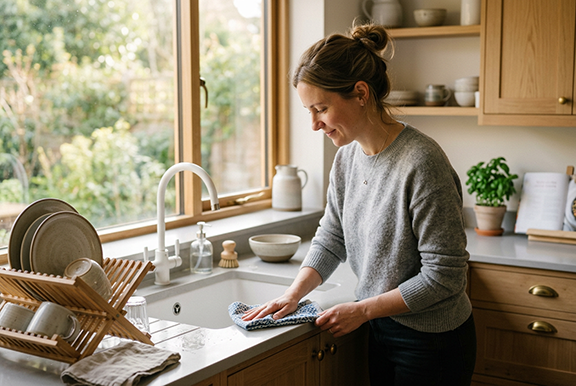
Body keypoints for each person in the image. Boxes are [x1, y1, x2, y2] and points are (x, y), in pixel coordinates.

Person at [242, 23, 476, 386]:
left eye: (320, 108)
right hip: (381, 329)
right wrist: (293, 294)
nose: (315, 125)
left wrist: (363, 309)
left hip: (433, 342)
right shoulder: (347, 159)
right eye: (309, 111)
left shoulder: (422, 163)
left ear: (361, 93)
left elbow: (444, 276)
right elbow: (331, 236)